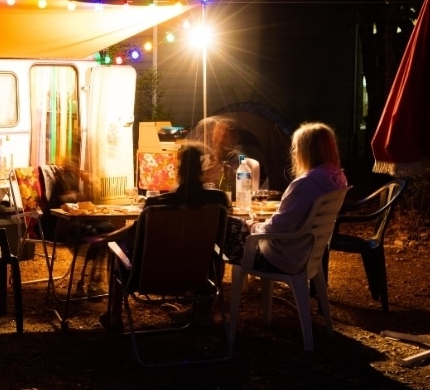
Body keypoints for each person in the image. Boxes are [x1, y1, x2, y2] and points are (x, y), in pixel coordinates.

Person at [100, 143, 229, 332]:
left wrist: (108, 237)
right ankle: (202, 313)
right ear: (201, 168)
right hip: (198, 276)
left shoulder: (156, 204)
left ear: (178, 169)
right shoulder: (219, 201)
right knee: (217, 254)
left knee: (116, 251)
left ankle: (114, 317)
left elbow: (134, 233)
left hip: (150, 276)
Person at [224, 121, 348, 273]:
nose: (294, 152)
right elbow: (289, 220)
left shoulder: (306, 184)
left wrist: (253, 226)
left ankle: (206, 285)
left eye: (296, 147)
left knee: (222, 223)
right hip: (305, 253)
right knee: (236, 224)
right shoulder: (337, 177)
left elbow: (277, 227)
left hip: (280, 258)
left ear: (307, 150)